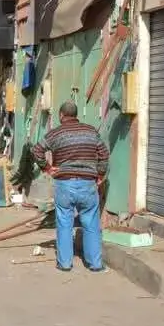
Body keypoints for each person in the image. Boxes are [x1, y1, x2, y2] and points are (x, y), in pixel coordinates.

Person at [32, 101, 110, 273]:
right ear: (76, 115)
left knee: (64, 223)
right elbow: (104, 154)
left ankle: (65, 264)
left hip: (64, 184)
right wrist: (100, 174)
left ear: (61, 115)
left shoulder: (56, 133)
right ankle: (95, 264)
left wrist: (46, 168)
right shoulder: (91, 131)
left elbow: (37, 150)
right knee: (91, 223)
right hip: (88, 184)